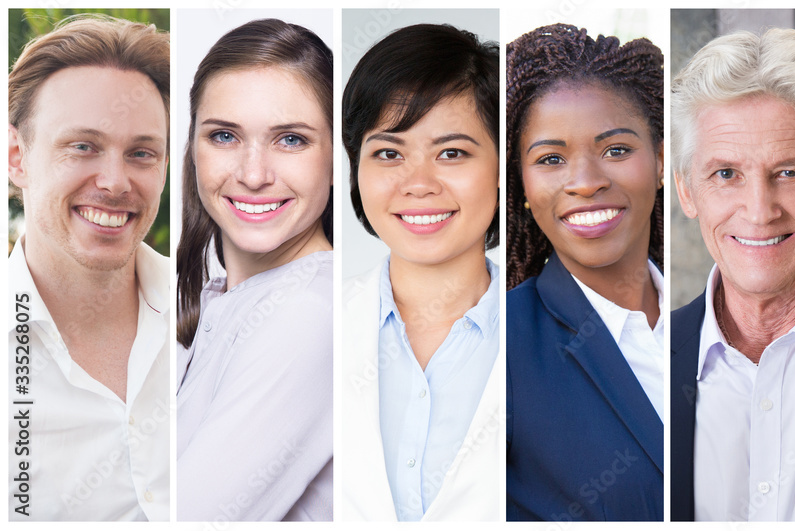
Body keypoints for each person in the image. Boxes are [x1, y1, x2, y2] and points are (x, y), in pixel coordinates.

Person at [7, 15, 169, 521]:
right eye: (83, 146)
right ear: (17, 157)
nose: (116, 182)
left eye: (142, 153)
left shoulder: (220, 312)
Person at [174, 18, 333, 521]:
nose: (253, 174)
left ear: (336, 154)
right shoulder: (222, 296)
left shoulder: (307, 314)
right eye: (224, 136)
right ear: (193, 149)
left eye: (290, 140)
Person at [340, 23, 500, 521]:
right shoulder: (308, 323)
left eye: (451, 153)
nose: (419, 184)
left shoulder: (564, 335)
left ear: (502, 167)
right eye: (388, 153)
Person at [506, 23, 665, 521]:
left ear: (661, 159)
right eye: (551, 159)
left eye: (616, 150)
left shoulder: (721, 316)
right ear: (523, 188)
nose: (586, 182)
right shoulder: (496, 342)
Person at [670, 28, 795, 521]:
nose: (759, 212)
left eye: (789, 172)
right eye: (726, 174)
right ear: (687, 191)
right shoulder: (643, 359)